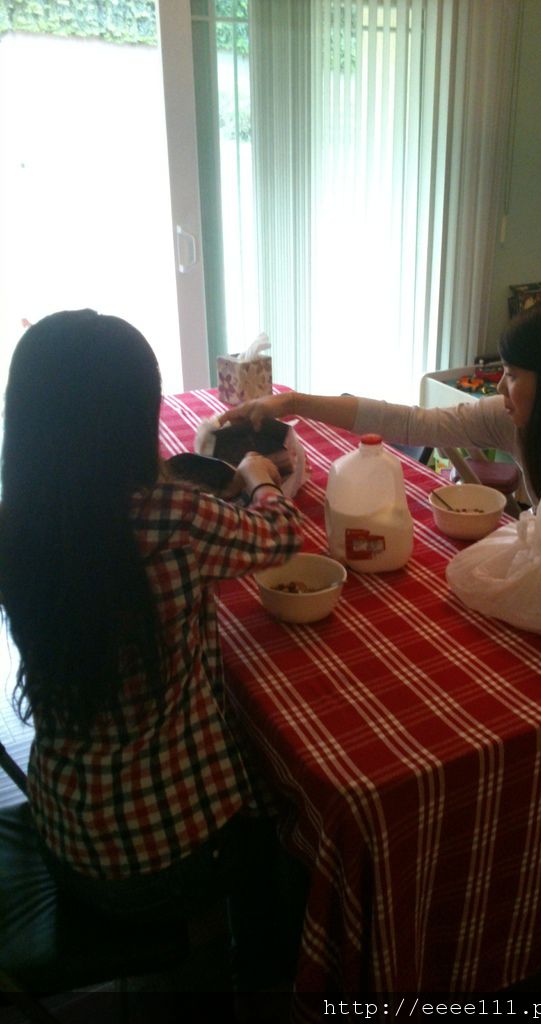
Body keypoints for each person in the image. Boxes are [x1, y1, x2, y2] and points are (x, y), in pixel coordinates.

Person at [0, 310, 306, 988]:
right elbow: (281, 538)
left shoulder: (18, 523)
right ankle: (262, 985)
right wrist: (259, 477)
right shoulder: (172, 517)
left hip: (64, 836)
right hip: (172, 860)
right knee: (282, 812)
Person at [220, 302, 541, 601]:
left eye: (513, 375)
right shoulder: (521, 418)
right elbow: (411, 422)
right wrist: (294, 402)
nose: (501, 387)